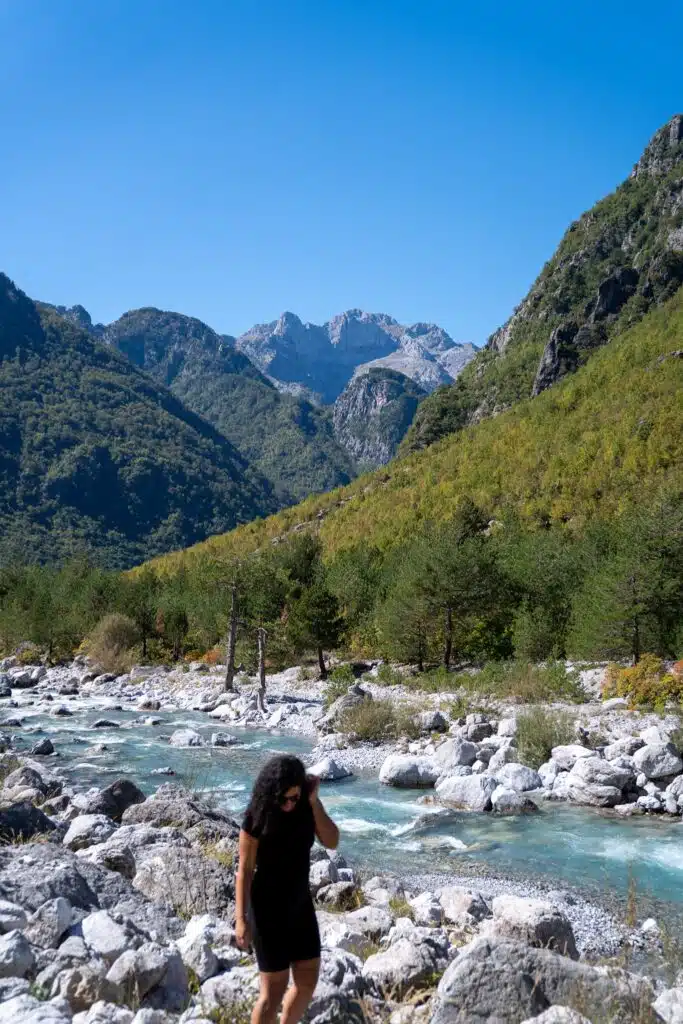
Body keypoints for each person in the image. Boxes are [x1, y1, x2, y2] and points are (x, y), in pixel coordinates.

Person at [235, 754, 340, 1024]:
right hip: (267, 908)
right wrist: (241, 920)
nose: (289, 804)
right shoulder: (256, 815)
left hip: (300, 904)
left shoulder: (305, 805)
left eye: (294, 797)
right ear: (272, 793)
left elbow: (332, 841)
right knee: (272, 993)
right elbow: (245, 871)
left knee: (307, 981)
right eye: (284, 798)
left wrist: (314, 803)